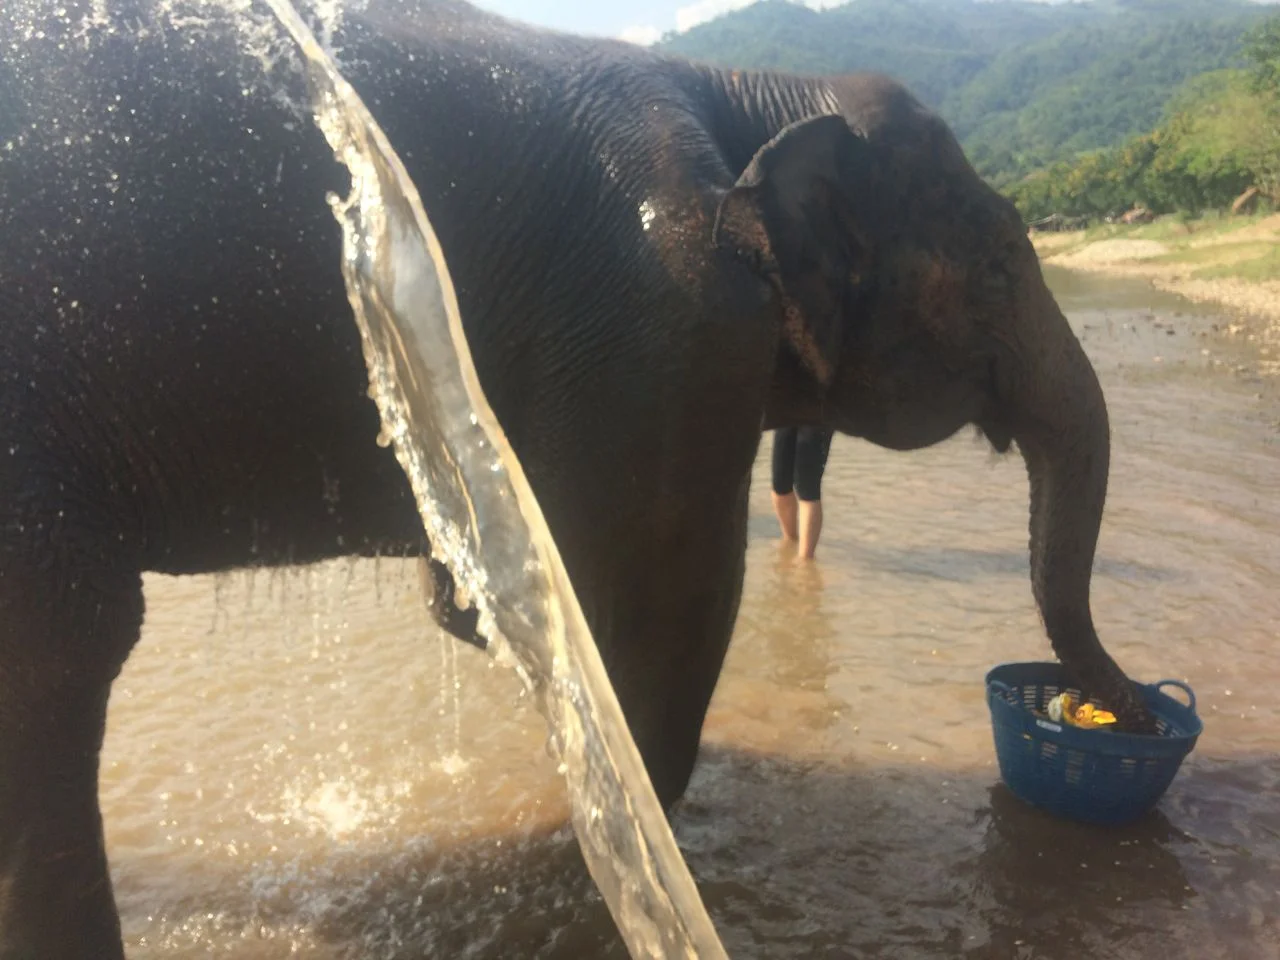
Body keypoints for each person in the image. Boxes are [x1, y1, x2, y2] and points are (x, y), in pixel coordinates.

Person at [770, 425, 835, 560]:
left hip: (819, 412)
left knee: (807, 488)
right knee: (780, 484)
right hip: (787, 409)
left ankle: (805, 560)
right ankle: (790, 540)